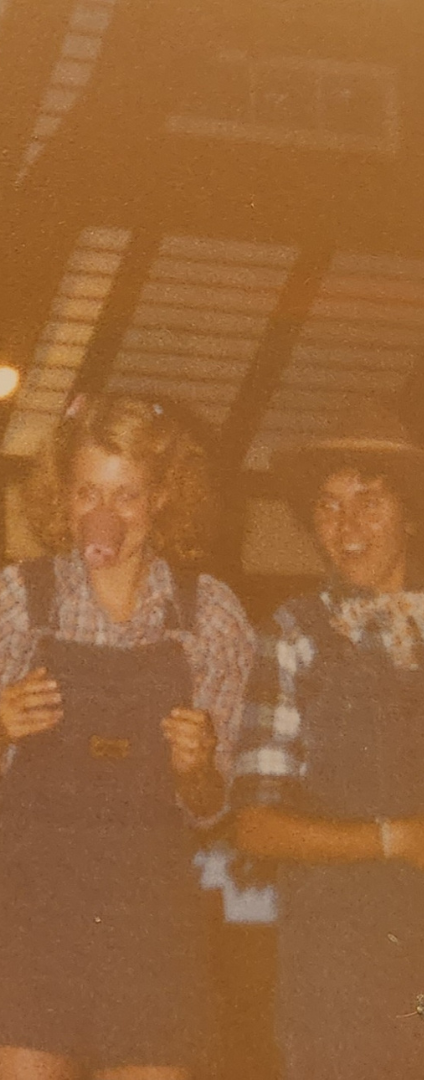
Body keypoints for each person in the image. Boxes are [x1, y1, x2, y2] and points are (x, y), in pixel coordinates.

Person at [0, 394, 255, 1080]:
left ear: (163, 497)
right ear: (62, 493)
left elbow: (210, 807)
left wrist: (195, 768)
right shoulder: (20, 597)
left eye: (127, 493)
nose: (103, 515)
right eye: (87, 491)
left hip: (149, 907)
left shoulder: (213, 617)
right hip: (25, 902)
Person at [232, 403, 424, 1079]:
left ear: (410, 512)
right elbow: (253, 826)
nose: (346, 528)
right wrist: (394, 840)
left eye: (369, 503)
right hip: (337, 964)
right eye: (329, 506)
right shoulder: (293, 635)